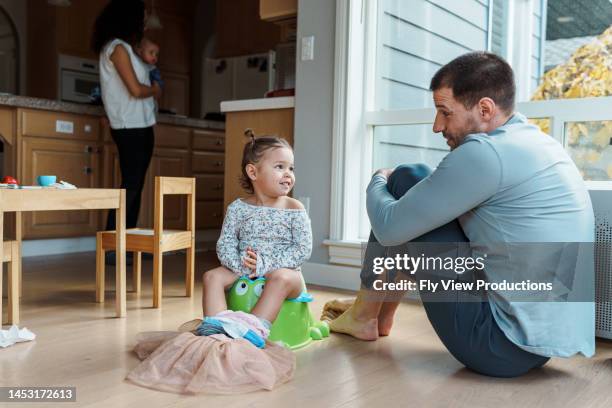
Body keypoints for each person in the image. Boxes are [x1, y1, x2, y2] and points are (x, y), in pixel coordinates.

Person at [329, 52, 595, 378]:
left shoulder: (485, 152)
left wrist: (379, 178)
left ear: (484, 109)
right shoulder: (539, 144)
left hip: (497, 346)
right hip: (541, 346)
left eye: (445, 112)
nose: (437, 126)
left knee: (406, 178)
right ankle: (373, 315)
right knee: (418, 203)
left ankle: (364, 314)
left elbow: (387, 228)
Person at [199, 130, 312, 345]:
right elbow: (226, 243)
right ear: (253, 172)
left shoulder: (294, 208)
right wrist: (239, 265)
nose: (288, 174)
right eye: (280, 167)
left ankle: (252, 329)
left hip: (287, 273)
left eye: (291, 168)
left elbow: (302, 249)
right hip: (243, 268)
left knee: (281, 278)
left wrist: (265, 265)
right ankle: (218, 327)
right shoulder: (238, 208)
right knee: (212, 277)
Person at [91, 0, 161, 236]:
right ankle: (114, 243)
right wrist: (155, 90)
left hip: (136, 125)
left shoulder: (122, 47)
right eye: (141, 16)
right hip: (131, 127)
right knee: (131, 185)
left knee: (133, 185)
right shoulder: (118, 48)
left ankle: (125, 242)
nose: (143, 22)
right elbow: (135, 90)